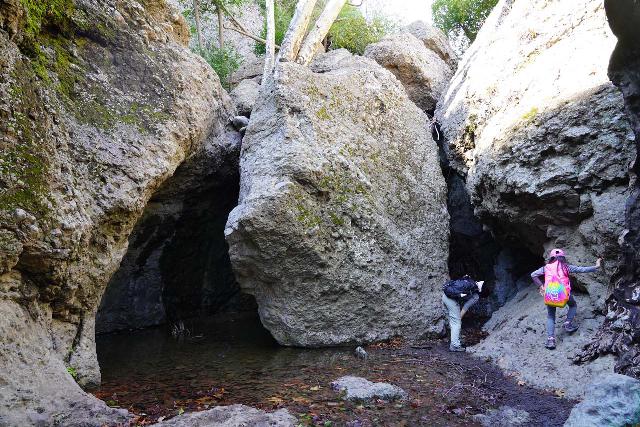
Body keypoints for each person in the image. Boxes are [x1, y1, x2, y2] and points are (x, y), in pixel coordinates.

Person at [530, 248, 602, 350]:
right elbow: (582, 269)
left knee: (551, 316)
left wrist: (541, 286)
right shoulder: (566, 267)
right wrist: (597, 265)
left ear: (551, 258)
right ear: (562, 257)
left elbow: (533, 275)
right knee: (573, 305)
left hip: (550, 294)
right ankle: (568, 324)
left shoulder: (546, 268)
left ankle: (551, 340)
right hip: (563, 294)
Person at [442, 276, 484, 352]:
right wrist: (459, 319)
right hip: (451, 301)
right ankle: (455, 346)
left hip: (445, 297)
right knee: (456, 323)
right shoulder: (475, 296)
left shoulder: (468, 283)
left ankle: (453, 343)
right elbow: (465, 307)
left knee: (453, 322)